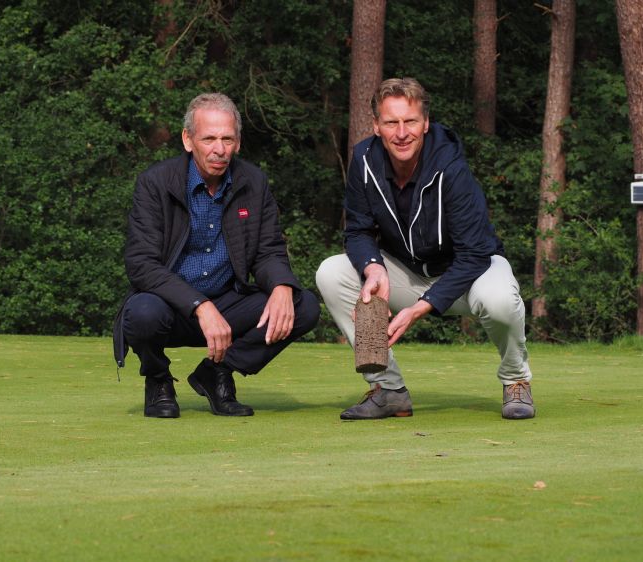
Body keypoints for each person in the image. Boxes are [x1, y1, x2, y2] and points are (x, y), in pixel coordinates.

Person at [316, 77, 534, 421]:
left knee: (501, 301)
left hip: (471, 272)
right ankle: (388, 391)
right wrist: (373, 267)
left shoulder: (451, 166)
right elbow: (357, 230)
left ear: (425, 123)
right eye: (391, 122)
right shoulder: (363, 160)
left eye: (410, 121)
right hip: (407, 273)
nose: (402, 132)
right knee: (331, 272)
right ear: (376, 126)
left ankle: (515, 379)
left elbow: (474, 254)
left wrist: (419, 309)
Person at [113, 92, 320, 419]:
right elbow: (141, 265)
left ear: (238, 142)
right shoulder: (155, 183)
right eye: (209, 138)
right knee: (141, 313)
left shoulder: (254, 181)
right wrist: (199, 305)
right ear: (188, 139)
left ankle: (217, 372)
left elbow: (268, 250)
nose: (219, 149)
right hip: (171, 307)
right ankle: (158, 381)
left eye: (227, 138)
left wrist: (282, 285)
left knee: (303, 305)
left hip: (228, 306)